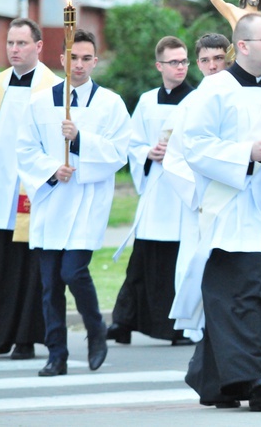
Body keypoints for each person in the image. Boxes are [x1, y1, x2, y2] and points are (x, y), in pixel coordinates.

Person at [177, 13, 261, 411]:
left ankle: (214, 380)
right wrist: (244, 154)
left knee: (242, 293)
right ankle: (260, 382)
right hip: (229, 205)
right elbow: (194, 145)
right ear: (245, 46)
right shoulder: (214, 89)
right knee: (248, 292)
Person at [16, 29, 131, 376]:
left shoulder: (110, 104)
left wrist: (80, 140)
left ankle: (96, 330)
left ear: (95, 61)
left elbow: (118, 151)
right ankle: (57, 354)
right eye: (74, 58)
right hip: (53, 200)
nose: (79, 65)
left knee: (73, 271)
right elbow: (24, 150)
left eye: (86, 58)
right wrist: (52, 170)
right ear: (63, 59)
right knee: (50, 282)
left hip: (86, 200)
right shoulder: (40, 104)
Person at [107, 37, 195, 346]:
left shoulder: (196, 100)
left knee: (175, 261)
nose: (180, 67)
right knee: (142, 259)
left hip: (181, 191)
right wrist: (149, 153)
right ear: (160, 66)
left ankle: (175, 328)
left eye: (184, 61)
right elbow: (132, 142)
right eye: (174, 62)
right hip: (156, 189)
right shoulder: (146, 101)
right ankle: (124, 321)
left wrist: (177, 152)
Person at [0, 18, 60, 360]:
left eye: (21, 43)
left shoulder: (53, 89)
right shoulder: (0, 85)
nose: (14, 50)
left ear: (38, 47)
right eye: (10, 43)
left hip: (33, 190)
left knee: (28, 266)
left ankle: (25, 337)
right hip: (0, 188)